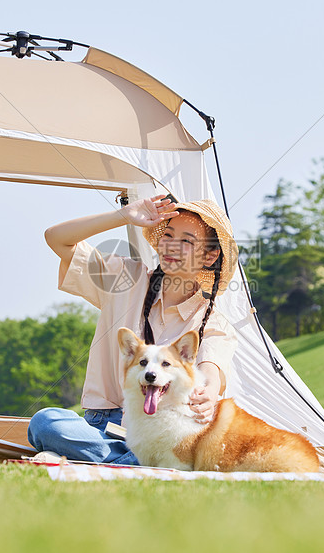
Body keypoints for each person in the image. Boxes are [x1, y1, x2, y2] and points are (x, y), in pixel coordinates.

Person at [28, 195, 239, 464]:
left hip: (161, 431)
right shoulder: (125, 279)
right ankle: (131, 463)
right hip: (100, 424)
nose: (172, 246)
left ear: (209, 256)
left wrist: (208, 394)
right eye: (169, 235)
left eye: (186, 241)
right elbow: (56, 238)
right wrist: (123, 216)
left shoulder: (213, 322)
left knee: (185, 445)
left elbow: (211, 374)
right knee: (46, 422)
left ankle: (100, 460)